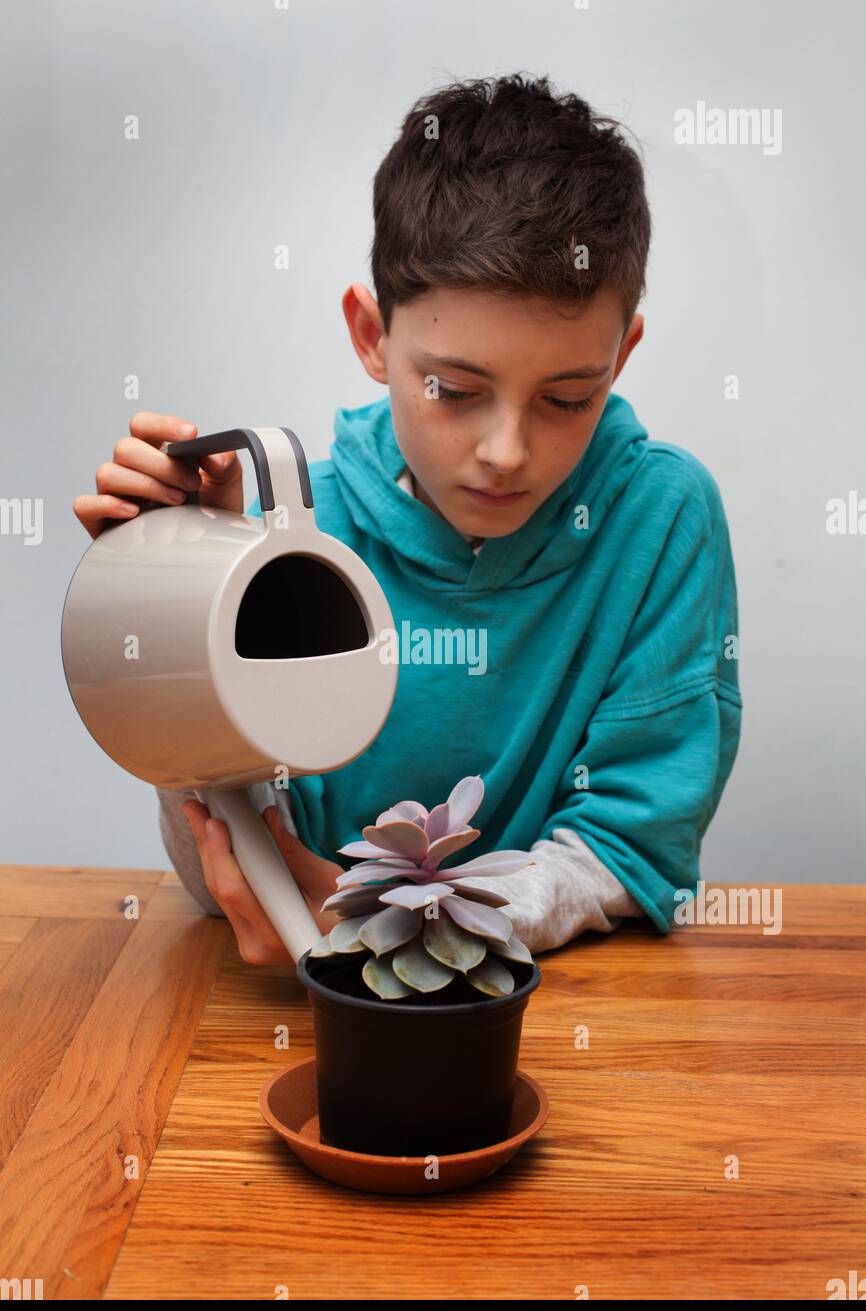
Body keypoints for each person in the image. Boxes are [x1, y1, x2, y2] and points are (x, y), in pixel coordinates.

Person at [73, 73, 741, 967]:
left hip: (564, 1023)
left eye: (568, 397)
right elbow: (218, 879)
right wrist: (186, 619)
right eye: (455, 390)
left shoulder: (661, 519)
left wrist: (405, 930)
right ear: (371, 336)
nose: (507, 450)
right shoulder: (283, 529)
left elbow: (634, 846)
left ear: (621, 355)